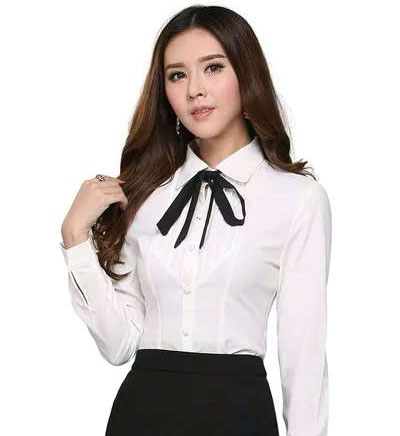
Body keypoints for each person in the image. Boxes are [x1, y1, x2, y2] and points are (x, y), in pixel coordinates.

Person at [59, 5, 332, 436]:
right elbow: (119, 345)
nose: (195, 91)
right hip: (141, 415)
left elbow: (304, 352)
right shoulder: (145, 195)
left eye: (213, 68)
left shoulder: (297, 199)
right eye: (177, 75)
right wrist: (75, 239)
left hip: (239, 416)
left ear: (246, 74)